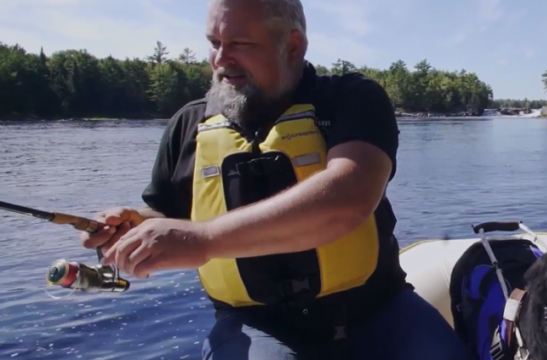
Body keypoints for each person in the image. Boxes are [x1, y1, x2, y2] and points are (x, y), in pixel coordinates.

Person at [77, 0, 473, 359]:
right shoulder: (189, 124)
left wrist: (202, 239)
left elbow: (347, 199)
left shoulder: (352, 99)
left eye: (239, 44)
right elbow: (169, 213)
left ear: (294, 46)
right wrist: (135, 227)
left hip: (379, 310)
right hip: (257, 325)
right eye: (214, 42)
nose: (220, 58)